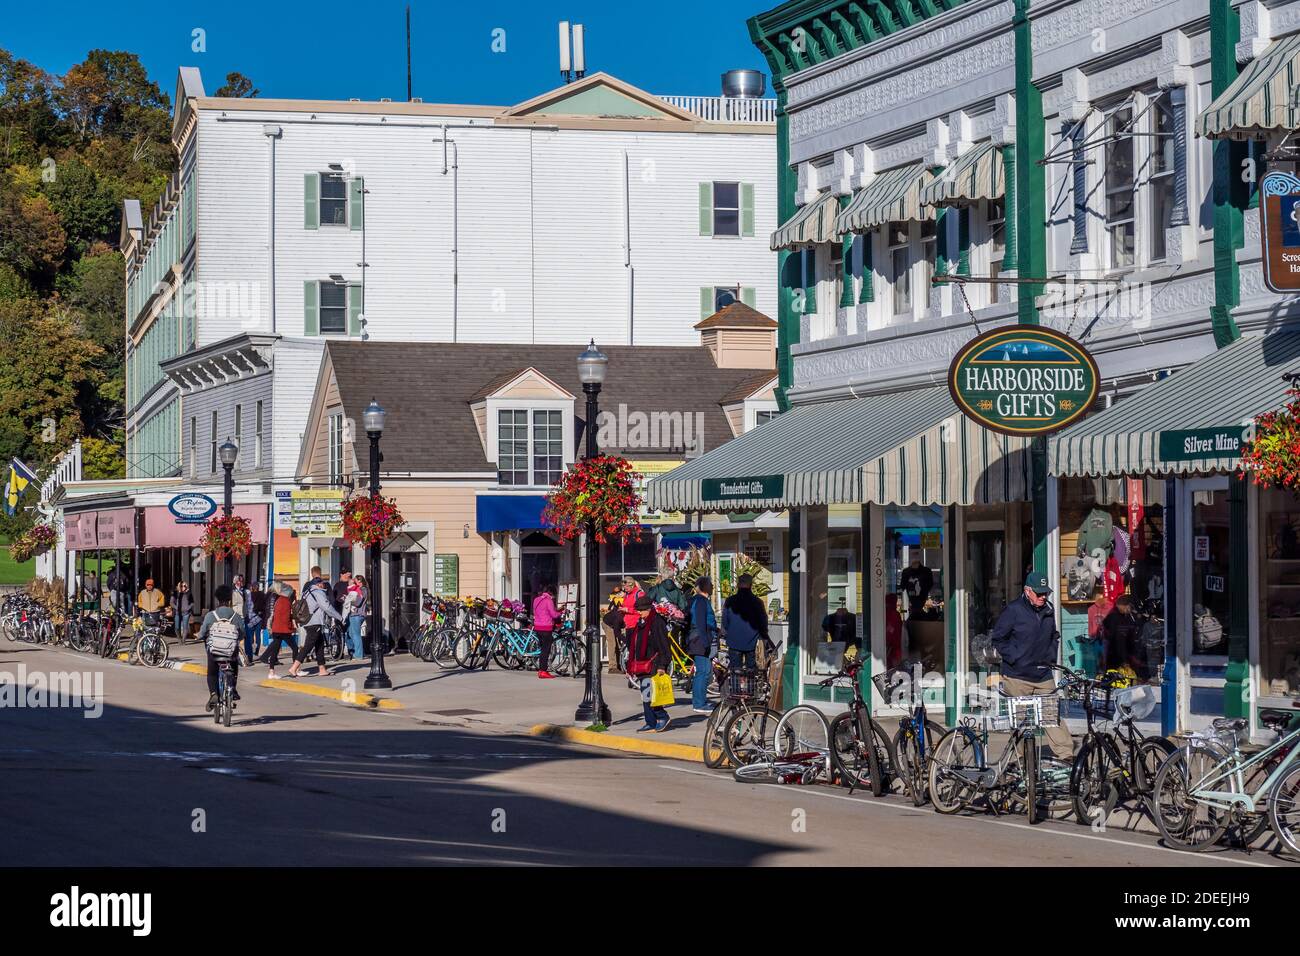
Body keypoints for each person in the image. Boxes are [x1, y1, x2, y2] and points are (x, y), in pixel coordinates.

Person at [990, 572, 1073, 761]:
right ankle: (1024, 757)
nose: (1043, 597)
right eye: (1039, 593)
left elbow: (1054, 636)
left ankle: (1066, 754)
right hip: (1017, 675)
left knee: (1051, 715)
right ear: (1028, 591)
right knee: (1020, 720)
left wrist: (1050, 658)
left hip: (1043, 674)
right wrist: (1016, 657)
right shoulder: (1013, 610)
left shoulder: (1048, 609)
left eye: (1046, 593)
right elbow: (998, 639)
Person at [626, 593, 672, 733]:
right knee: (645, 695)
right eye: (638, 610)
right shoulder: (641, 623)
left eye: (641, 610)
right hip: (641, 664)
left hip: (653, 663)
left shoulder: (657, 622)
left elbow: (664, 646)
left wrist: (662, 665)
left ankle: (662, 716)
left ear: (648, 609)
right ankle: (650, 722)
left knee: (650, 695)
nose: (639, 613)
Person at [288, 567, 341, 678]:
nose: (324, 587)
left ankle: (322, 669)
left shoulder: (307, 592)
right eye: (322, 584)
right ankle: (294, 668)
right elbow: (327, 607)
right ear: (319, 584)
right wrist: (339, 617)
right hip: (314, 622)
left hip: (308, 621)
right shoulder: (318, 592)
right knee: (308, 646)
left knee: (319, 644)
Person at [200, 584, 243, 712]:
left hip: (215, 652)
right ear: (229, 600)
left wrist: (201, 637)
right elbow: (241, 634)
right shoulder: (236, 616)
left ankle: (213, 694)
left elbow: (202, 633)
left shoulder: (210, 615)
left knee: (212, 672)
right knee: (234, 667)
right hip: (230, 652)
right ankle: (232, 688)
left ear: (217, 599)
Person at [722, 573, 768, 671]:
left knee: (735, 670)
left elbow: (725, 622)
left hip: (734, 641)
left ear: (738, 585)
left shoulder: (730, 601)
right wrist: (764, 637)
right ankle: (751, 686)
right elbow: (763, 622)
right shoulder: (757, 602)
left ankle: (736, 686)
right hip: (752, 641)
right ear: (751, 585)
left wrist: (725, 633)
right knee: (751, 670)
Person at [684, 577, 717, 713]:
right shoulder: (701, 601)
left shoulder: (698, 600)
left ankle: (700, 700)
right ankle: (699, 703)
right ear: (706, 587)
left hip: (697, 639)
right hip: (700, 640)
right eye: (711, 585)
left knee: (705, 671)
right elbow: (700, 622)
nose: (713, 587)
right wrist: (705, 642)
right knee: (702, 672)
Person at [259, 582, 299, 680]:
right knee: (295, 648)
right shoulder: (286, 601)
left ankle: (271, 672)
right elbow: (286, 618)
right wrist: (292, 628)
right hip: (284, 630)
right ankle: (296, 669)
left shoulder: (278, 599)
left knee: (275, 650)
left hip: (276, 629)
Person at [1100, 594, 1143, 678]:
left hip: (1117, 655)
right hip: (1116, 657)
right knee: (1116, 678)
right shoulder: (1116, 618)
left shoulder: (1120, 616)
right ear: (1125, 606)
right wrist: (1124, 660)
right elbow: (1119, 641)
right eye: (1130, 607)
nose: (1130, 610)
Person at [532, 585, 560, 679]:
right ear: (551, 593)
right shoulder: (549, 601)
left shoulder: (536, 599)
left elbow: (536, 612)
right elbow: (554, 615)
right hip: (546, 628)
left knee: (542, 649)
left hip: (537, 627)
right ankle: (543, 671)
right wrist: (561, 612)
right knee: (546, 650)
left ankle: (541, 670)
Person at [603, 583, 626, 675]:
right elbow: (617, 631)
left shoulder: (623, 613)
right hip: (608, 624)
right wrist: (624, 639)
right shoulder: (619, 616)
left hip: (613, 622)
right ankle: (612, 667)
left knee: (618, 644)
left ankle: (618, 665)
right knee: (613, 644)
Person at [344, 574, 368, 661]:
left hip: (357, 614)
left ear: (361, 582)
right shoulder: (358, 590)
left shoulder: (363, 589)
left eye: (357, 581)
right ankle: (358, 651)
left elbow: (358, 602)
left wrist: (348, 601)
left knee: (356, 635)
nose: (355, 583)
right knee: (350, 634)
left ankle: (358, 655)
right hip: (354, 614)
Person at [244, 582, 265, 664]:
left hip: (251, 619)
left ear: (252, 588)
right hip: (259, 618)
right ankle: (256, 651)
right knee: (258, 636)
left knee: (250, 637)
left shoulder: (249, 596)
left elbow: (249, 608)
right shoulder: (262, 595)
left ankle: (251, 653)